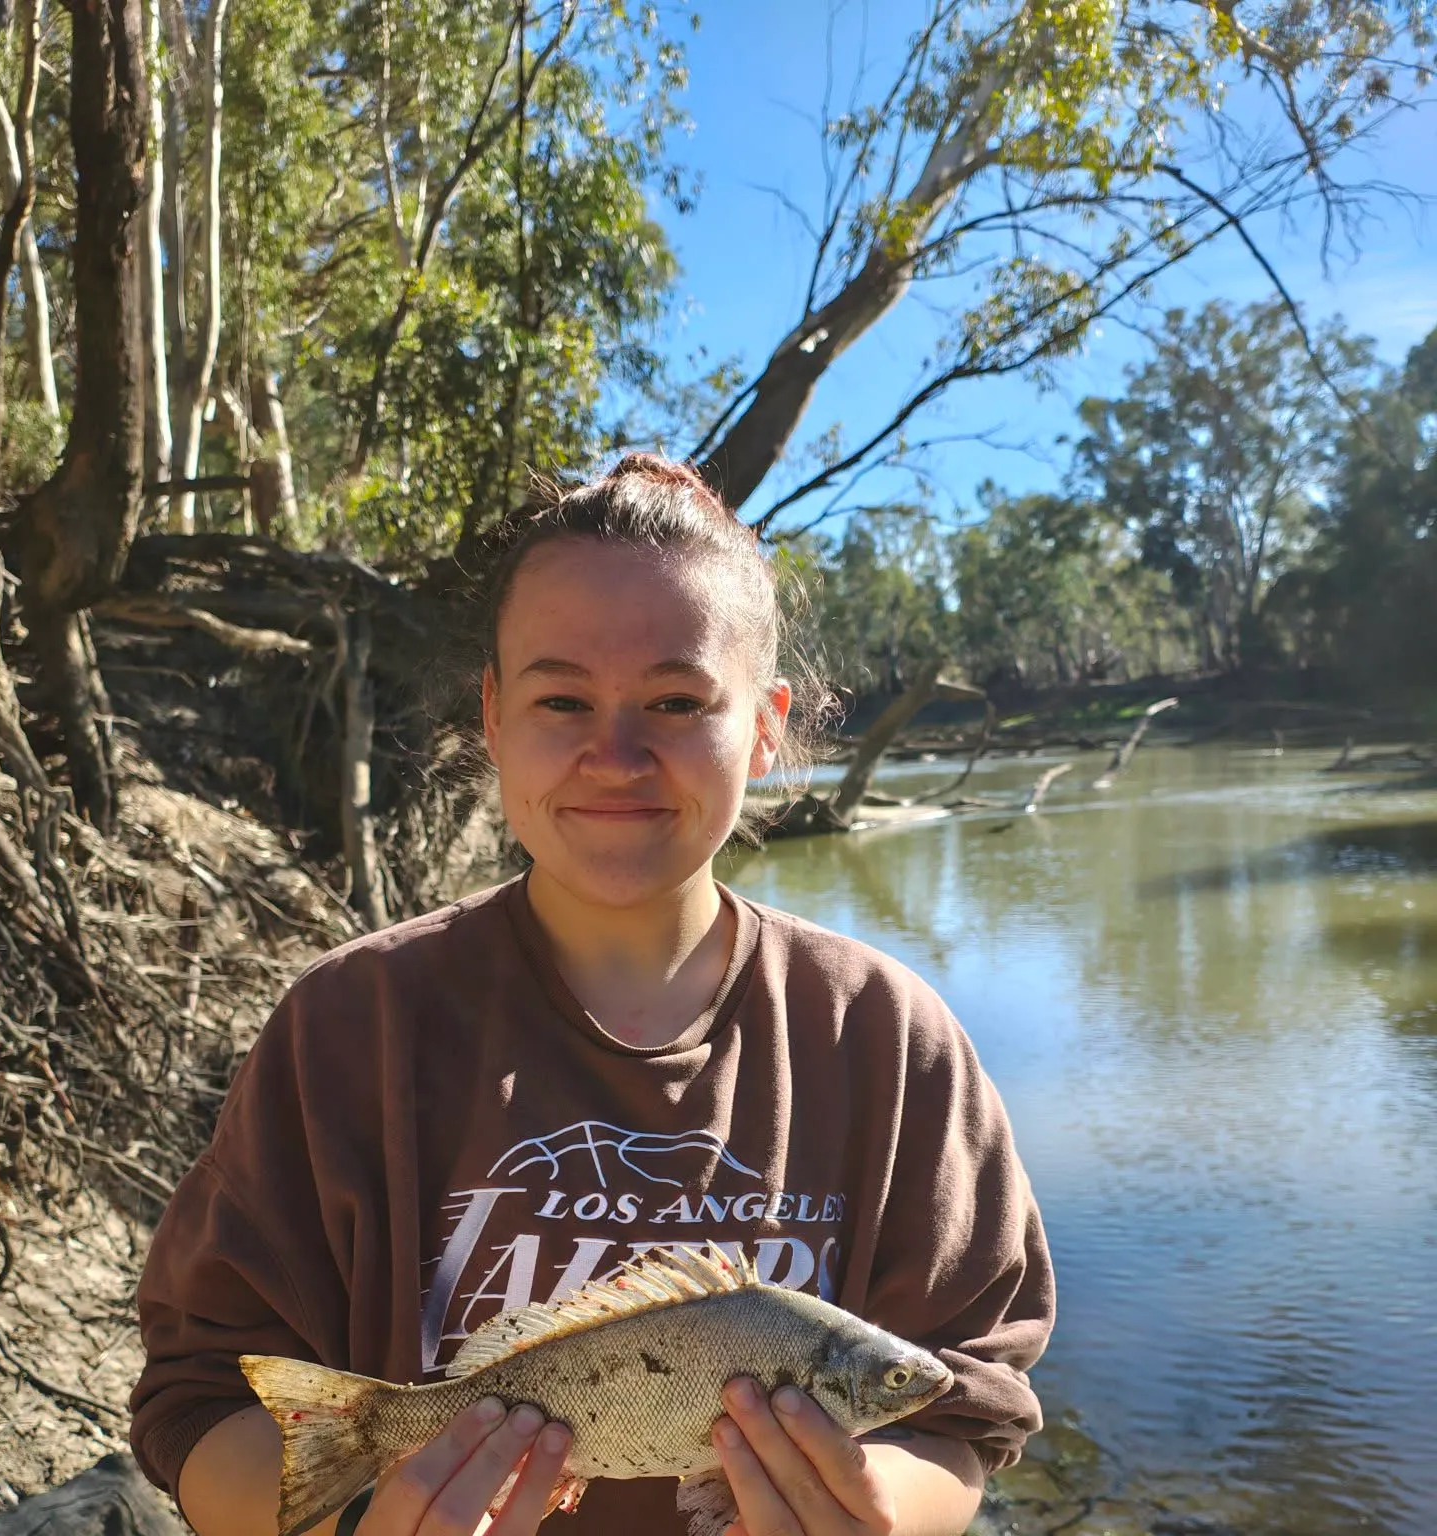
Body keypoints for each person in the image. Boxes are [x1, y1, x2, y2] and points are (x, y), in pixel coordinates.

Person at [129, 454, 1055, 1536]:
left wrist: (875, 1511)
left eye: (676, 700)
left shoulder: (886, 1040)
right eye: (562, 697)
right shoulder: (352, 1024)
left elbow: (964, 1405)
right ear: (492, 714)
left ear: (763, 724)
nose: (616, 755)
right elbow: (202, 1401)